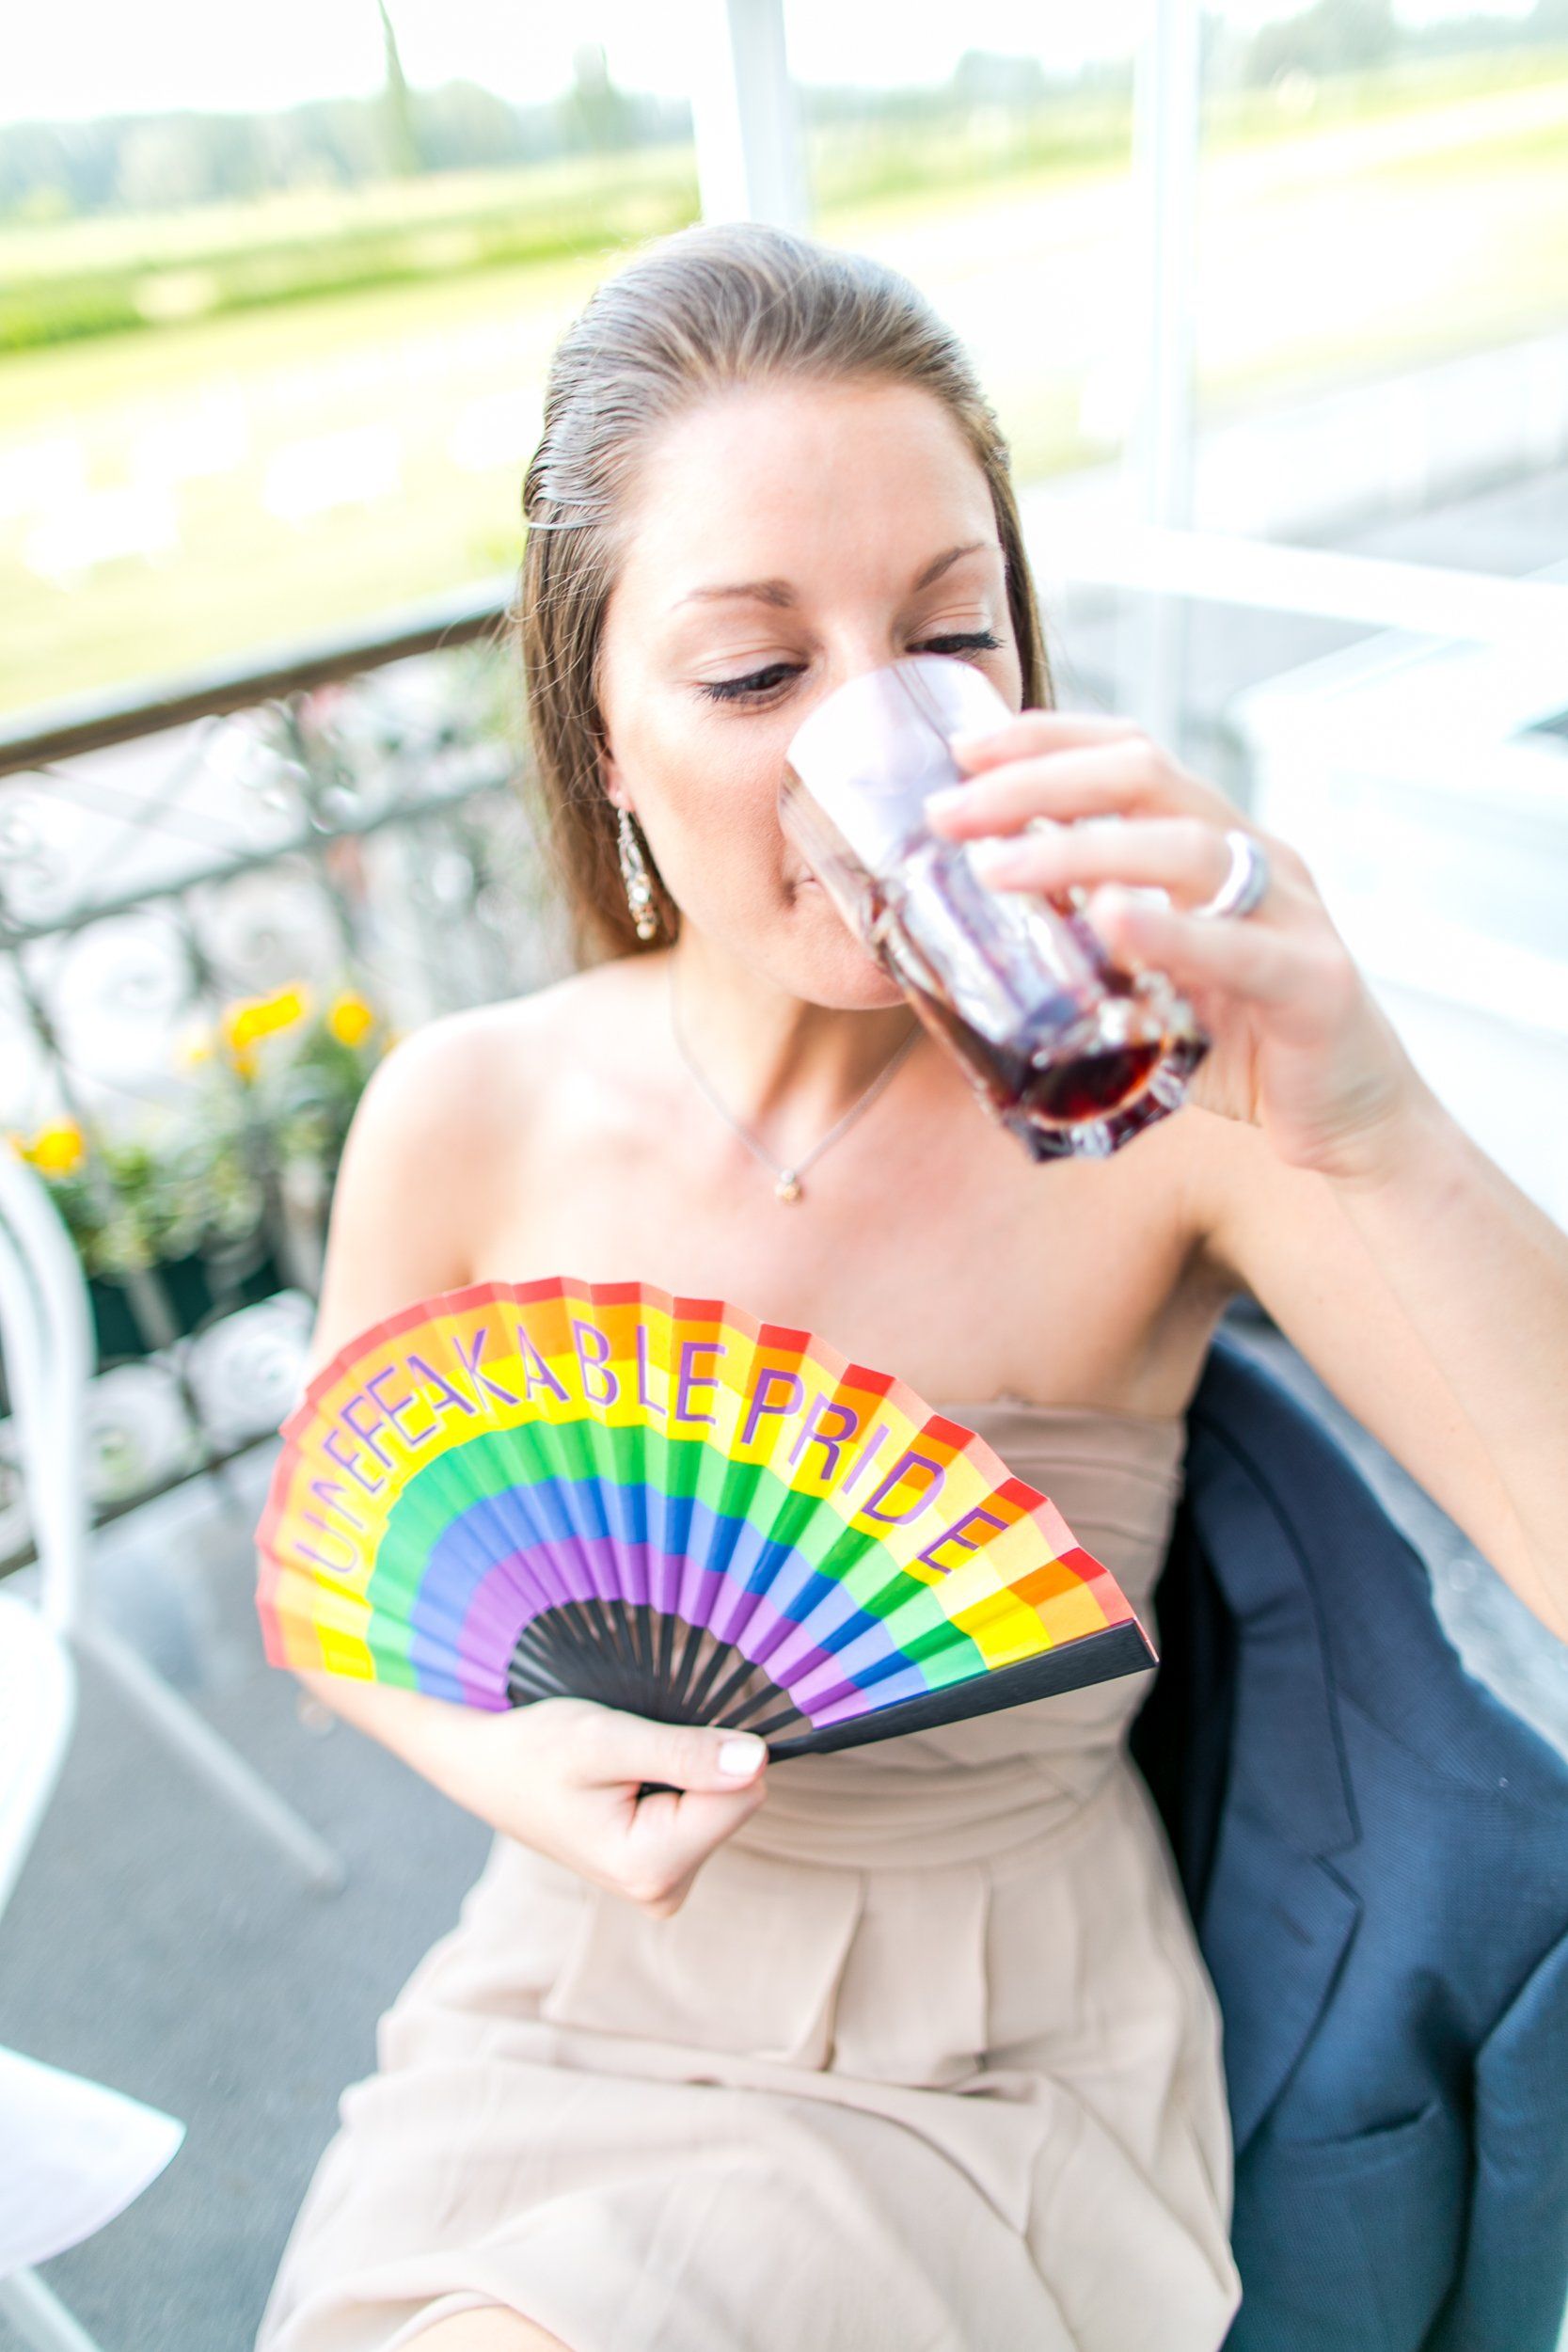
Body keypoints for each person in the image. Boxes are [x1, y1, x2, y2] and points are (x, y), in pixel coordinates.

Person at [254, 221, 1568, 2352]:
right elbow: (335, 1583)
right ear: (604, 740)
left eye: (951, 637)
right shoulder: (467, 1114)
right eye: (755, 674)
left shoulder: (1169, 1105)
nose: (889, 738)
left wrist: (1381, 1127)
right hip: (565, 1986)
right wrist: (509, 1772)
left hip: (983, 2057)